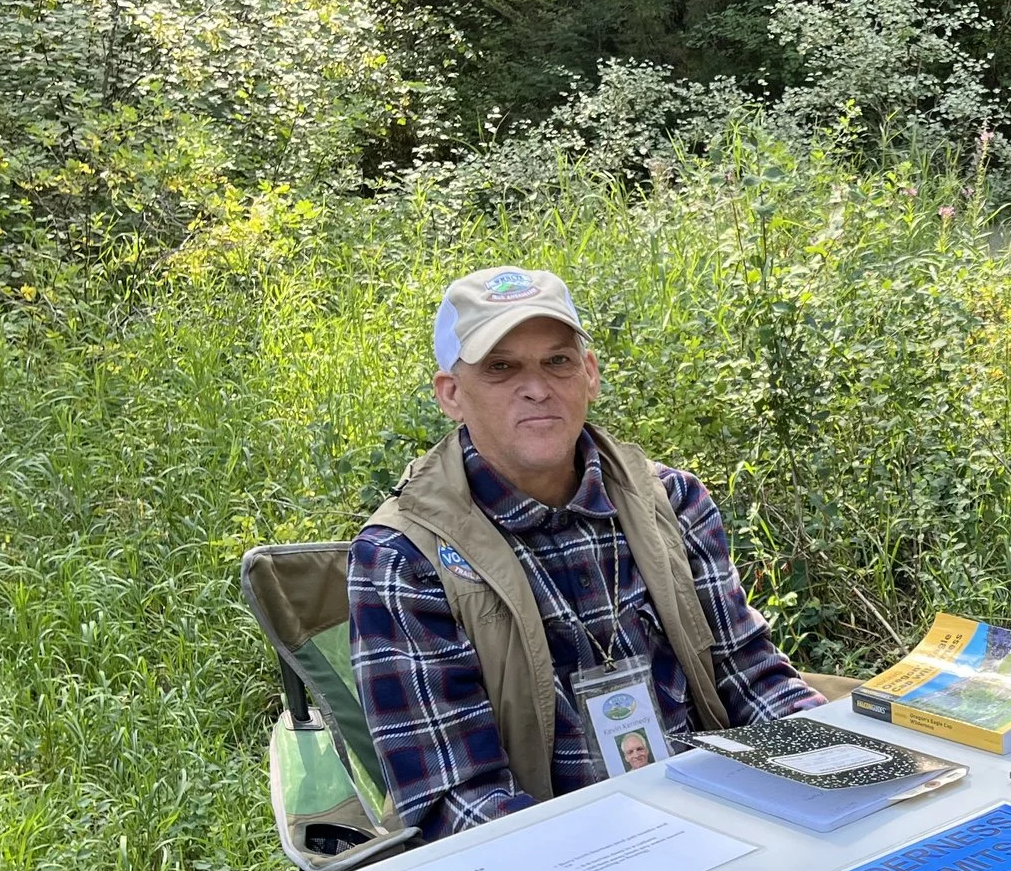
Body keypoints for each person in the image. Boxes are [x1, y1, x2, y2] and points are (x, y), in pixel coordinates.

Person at [349, 265, 825, 839]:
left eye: (558, 361)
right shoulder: (403, 556)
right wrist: (611, 854)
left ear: (589, 375)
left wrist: (836, 763)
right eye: (501, 368)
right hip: (554, 854)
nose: (537, 387)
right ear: (451, 394)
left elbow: (751, 676)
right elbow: (455, 800)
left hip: (724, 817)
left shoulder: (672, 501)